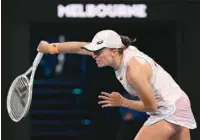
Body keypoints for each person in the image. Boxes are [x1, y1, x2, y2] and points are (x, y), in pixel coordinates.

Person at [37, 29, 197, 140]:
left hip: (170, 109)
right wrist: (51, 48)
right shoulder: (118, 52)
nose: (94, 55)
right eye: (94, 51)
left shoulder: (133, 71)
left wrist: (122, 102)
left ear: (113, 51)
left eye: (98, 52)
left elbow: (152, 107)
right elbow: (79, 47)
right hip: (177, 102)